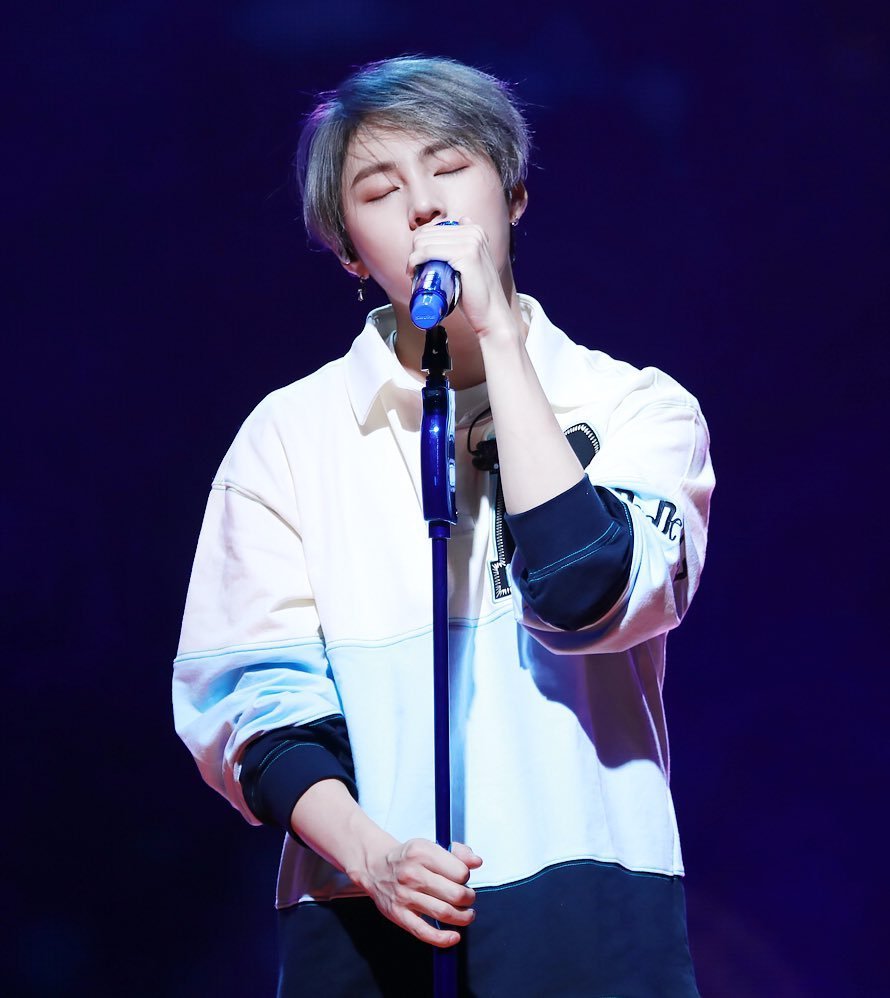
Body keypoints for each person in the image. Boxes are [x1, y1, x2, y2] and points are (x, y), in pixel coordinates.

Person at [173, 55, 714, 996]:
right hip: (365, 912)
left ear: (514, 194)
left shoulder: (637, 408)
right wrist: (373, 856)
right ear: (350, 252)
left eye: (451, 167)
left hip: (590, 908)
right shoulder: (287, 437)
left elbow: (588, 595)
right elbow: (255, 708)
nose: (424, 205)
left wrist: (499, 338)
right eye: (379, 190)